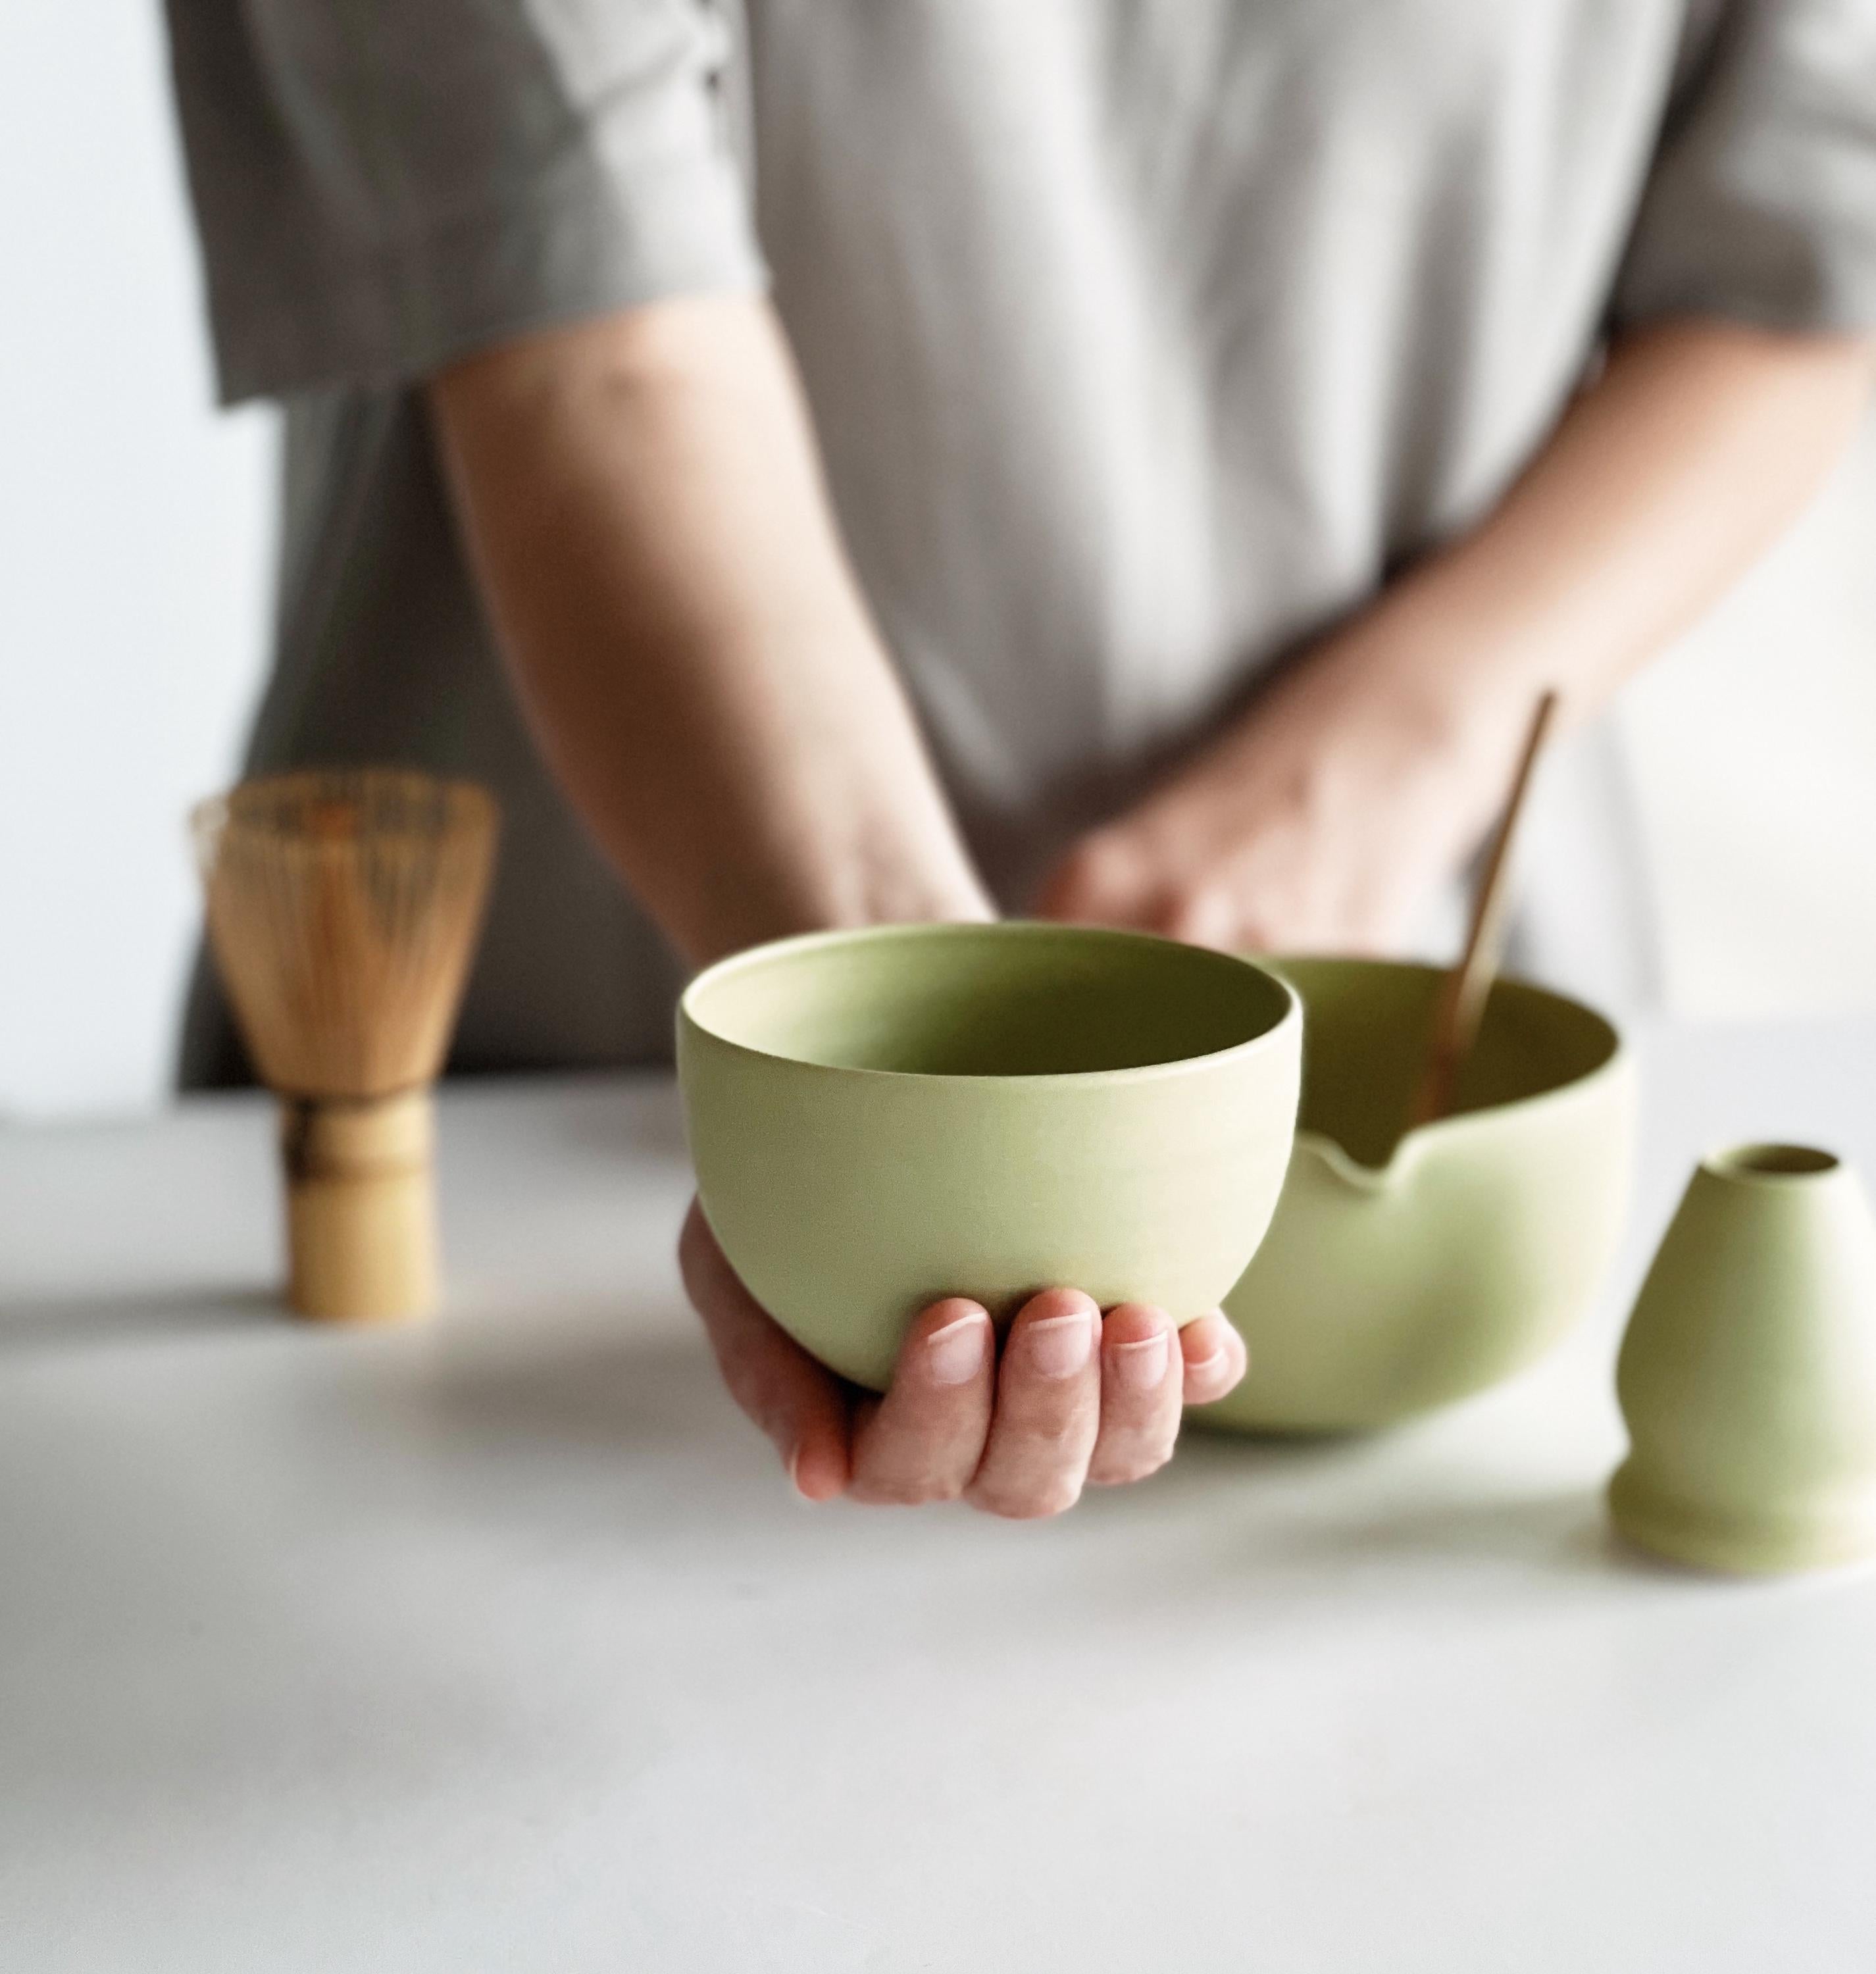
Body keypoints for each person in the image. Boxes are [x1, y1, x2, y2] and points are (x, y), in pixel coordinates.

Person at [166, 0, 1876, 1516]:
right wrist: (882, 1058)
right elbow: (586, 329)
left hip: (1412, 1024)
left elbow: (1797, 279)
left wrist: (1335, 797)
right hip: (570, 1099)